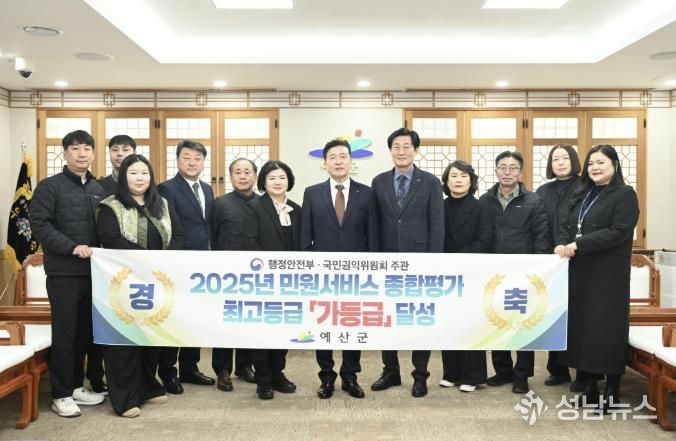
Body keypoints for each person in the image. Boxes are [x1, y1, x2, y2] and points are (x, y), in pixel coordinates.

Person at [96, 154, 183, 417]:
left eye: (144, 173)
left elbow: (179, 235)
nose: (140, 178)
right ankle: (124, 398)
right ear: (124, 177)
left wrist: (162, 261)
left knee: (151, 336)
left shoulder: (162, 203)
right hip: (123, 283)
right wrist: (145, 261)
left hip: (156, 281)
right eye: (133, 173)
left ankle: (147, 387)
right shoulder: (111, 206)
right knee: (125, 340)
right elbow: (111, 238)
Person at [555, 144, 639, 413]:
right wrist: (561, 243)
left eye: (601, 162)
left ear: (614, 165)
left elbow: (619, 231)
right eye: (591, 163)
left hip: (608, 272)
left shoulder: (625, 194)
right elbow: (566, 224)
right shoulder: (583, 193)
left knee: (606, 329)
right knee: (584, 329)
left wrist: (579, 244)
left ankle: (612, 390)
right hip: (580, 269)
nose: (595, 168)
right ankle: (590, 387)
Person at [32, 129, 106, 417]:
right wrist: (72, 247)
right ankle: (60, 394)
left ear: (93, 153)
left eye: (87, 148)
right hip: (64, 274)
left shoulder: (98, 189)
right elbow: (41, 225)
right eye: (75, 148)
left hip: (94, 274)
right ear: (65, 154)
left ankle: (75, 386)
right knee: (65, 334)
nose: (81, 153)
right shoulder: (49, 187)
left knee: (83, 335)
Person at [368, 127, 444, 398]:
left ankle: (420, 375)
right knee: (387, 318)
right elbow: (374, 224)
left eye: (406, 147)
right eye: (396, 147)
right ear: (390, 151)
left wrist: (433, 261)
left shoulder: (431, 182)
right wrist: (375, 261)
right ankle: (390, 370)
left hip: (420, 261)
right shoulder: (379, 181)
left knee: (419, 319)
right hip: (387, 262)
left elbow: (437, 224)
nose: (401, 152)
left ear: (416, 150)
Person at [300, 139, 370, 400]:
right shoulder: (312, 193)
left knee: (352, 324)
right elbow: (305, 235)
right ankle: (326, 377)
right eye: (332, 157)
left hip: (357, 275)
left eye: (343, 156)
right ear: (325, 163)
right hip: (322, 275)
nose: (338, 161)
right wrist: (308, 267)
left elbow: (372, 234)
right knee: (324, 324)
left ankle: (350, 377)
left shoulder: (367, 193)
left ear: (351, 161)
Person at [479, 150, 550, 394]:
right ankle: (503, 370)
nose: (507, 172)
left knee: (522, 325)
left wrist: (539, 270)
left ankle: (522, 374)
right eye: (502, 167)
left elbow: (541, 236)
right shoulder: (485, 200)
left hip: (524, 273)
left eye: (512, 168)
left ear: (521, 172)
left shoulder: (533, 201)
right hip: (494, 274)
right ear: (496, 171)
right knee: (496, 321)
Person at [157, 140, 215, 394]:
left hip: (203, 264)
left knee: (195, 319)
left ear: (203, 162)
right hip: (178, 264)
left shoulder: (207, 189)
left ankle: (190, 368)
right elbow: (166, 226)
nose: (192, 163)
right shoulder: (166, 189)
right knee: (174, 318)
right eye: (186, 158)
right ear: (177, 160)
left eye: (197, 158)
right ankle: (168, 371)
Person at [244, 160, 301, 400]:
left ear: (289, 180)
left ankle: (278, 374)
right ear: (264, 182)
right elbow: (249, 241)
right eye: (272, 178)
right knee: (263, 330)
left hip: (290, 281)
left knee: (283, 328)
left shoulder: (296, 208)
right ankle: (263, 379)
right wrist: (269, 269)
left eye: (282, 177)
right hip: (264, 279)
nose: (278, 182)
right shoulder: (254, 206)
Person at [439, 160, 491, 393]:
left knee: (471, 323)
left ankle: (472, 376)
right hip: (445, 273)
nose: (458, 180)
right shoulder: (439, 206)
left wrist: (460, 257)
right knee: (449, 322)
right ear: (446, 181)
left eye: (463, 176)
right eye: (453, 176)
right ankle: (451, 373)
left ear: (471, 181)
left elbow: (485, 240)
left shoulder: (481, 208)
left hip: (472, 271)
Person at [535, 144, 584, 391]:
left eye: (565, 158)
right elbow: (538, 225)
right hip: (551, 262)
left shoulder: (586, 186)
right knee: (554, 315)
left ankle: (584, 371)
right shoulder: (543, 191)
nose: (561, 163)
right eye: (555, 159)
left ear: (574, 161)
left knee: (580, 316)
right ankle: (557, 369)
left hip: (580, 258)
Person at [211, 158, 258, 391]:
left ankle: (244, 365)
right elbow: (212, 235)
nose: (242, 176)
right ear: (231, 177)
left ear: (255, 175)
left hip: (255, 274)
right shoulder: (220, 203)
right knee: (225, 321)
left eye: (247, 171)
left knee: (249, 320)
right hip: (226, 273)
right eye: (237, 172)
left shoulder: (263, 203)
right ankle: (222, 370)